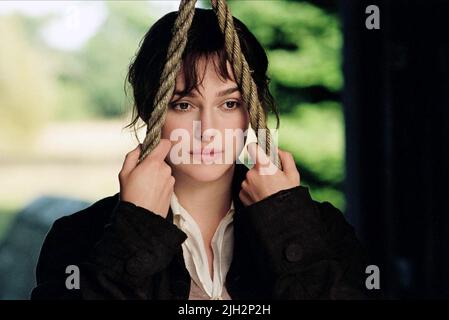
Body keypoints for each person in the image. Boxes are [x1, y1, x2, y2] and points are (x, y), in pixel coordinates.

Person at [31, 8, 369, 300]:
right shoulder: (79, 237)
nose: (207, 129)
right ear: (152, 111)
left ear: (251, 111)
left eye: (229, 104)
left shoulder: (319, 229)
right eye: (184, 104)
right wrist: (135, 230)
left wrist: (285, 225)